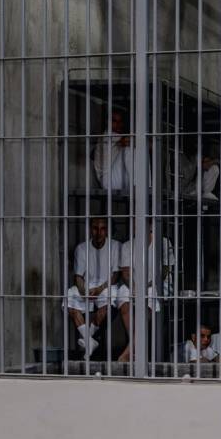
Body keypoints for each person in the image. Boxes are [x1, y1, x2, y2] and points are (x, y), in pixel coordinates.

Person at [66, 216, 128, 356]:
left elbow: (116, 276)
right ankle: (90, 342)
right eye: (95, 228)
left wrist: (99, 289)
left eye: (103, 229)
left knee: (109, 299)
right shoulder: (82, 248)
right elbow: (78, 277)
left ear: (107, 230)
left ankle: (87, 339)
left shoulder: (116, 246)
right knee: (70, 297)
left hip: (107, 286)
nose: (99, 232)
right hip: (87, 287)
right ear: (90, 229)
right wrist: (84, 291)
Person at [115, 221, 175, 363]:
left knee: (151, 297)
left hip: (158, 284)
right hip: (135, 285)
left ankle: (129, 351)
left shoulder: (164, 243)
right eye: (135, 224)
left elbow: (165, 271)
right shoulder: (127, 245)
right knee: (122, 293)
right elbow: (126, 273)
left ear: (150, 226)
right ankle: (136, 347)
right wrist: (134, 286)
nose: (137, 227)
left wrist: (144, 286)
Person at [92, 110, 133, 192]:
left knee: (141, 151)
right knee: (129, 150)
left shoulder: (115, 136)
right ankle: (141, 187)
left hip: (114, 177)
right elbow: (132, 141)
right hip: (108, 180)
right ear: (107, 122)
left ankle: (144, 185)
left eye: (120, 121)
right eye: (114, 121)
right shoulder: (109, 135)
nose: (118, 124)